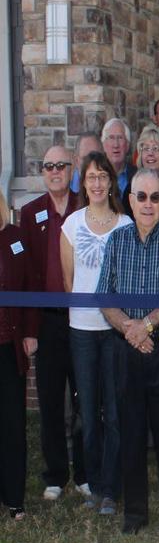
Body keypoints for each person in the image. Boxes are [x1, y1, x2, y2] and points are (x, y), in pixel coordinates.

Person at [96, 168, 159, 536]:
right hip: (126, 352)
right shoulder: (117, 242)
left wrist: (145, 327)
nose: (149, 204)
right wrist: (130, 330)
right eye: (142, 196)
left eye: (155, 197)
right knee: (131, 433)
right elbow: (105, 296)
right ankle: (134, 516)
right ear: (131, 199)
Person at [61, 152, 132, 515]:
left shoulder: (124, 226)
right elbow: (69, 282)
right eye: (91, 176)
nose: (98, 183)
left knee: (115, 412)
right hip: (82, 331)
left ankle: (110, 490)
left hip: (114, 331)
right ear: (83, 182)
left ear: (111, 181)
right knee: (88, 412)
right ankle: (93, 487)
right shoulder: (71, 225)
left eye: (103, 176)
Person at [20, 145, 87, 504]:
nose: (55, 171)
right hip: (46, 323)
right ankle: (56, 476)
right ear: (43, 172)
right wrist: (29, 329)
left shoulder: (84, 205)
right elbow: (28, 276)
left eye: (61, 165)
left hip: (82, 320)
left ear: (72, 168)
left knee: (85, 400)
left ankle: (85, 474)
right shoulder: (30, 214)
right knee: (49, 402)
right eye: (49, 166)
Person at [0, 188, 33, 520]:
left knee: (11, 424)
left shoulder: (15, 238)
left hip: (8, 349)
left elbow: (27, 288)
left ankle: (14, 498)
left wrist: (29, 332)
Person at [123, 125, 159, 216]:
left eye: (155, 148)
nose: (150, 153)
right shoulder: (131, 188)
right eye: (146, 148)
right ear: (141, 155)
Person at [101, 118, 136, 195]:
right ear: (104, 145)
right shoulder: (97, 176)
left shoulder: (137, 175)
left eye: (120, 138)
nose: (116, 145)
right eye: (111, 138)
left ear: (127, 145)